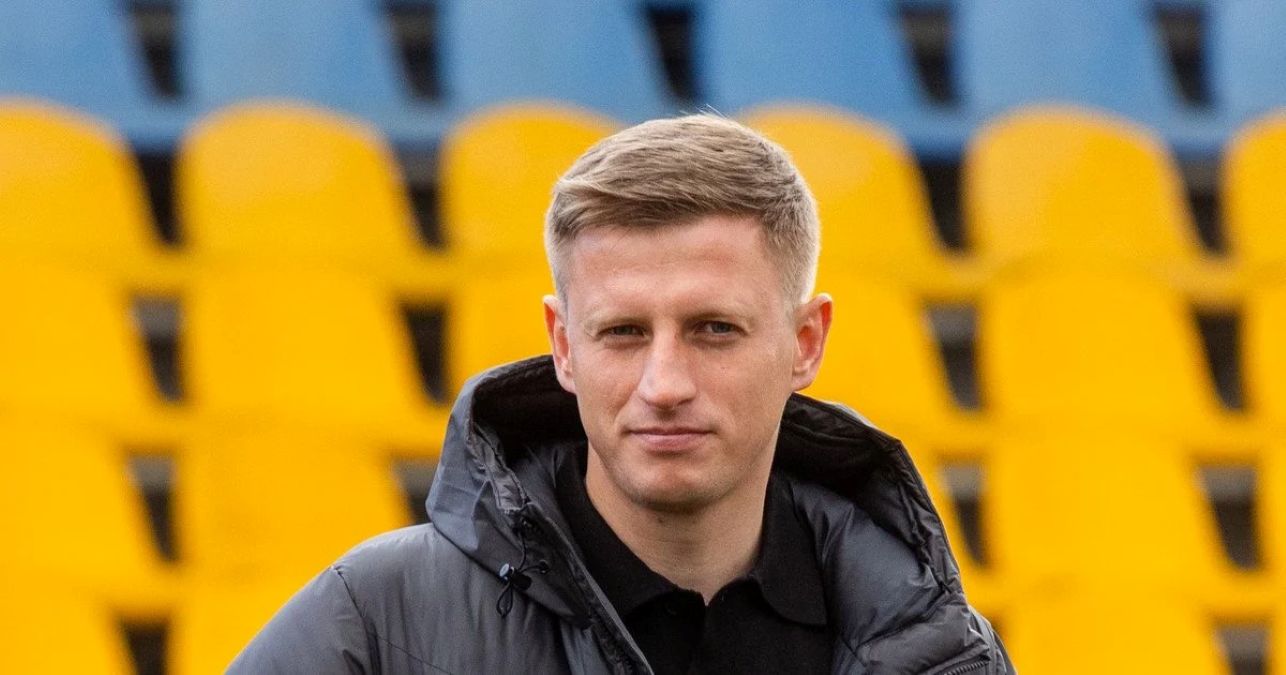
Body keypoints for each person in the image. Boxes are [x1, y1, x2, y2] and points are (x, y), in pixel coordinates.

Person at [231, 114, 1013, 673]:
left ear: (805, 341)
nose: (664, 384)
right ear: (564, 345)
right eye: (624, 332)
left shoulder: (939, 651)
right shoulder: (374, 620)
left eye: (714, 329)